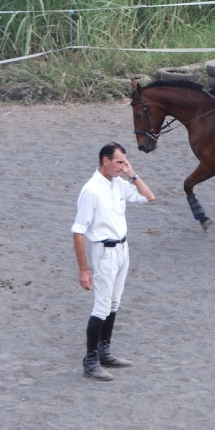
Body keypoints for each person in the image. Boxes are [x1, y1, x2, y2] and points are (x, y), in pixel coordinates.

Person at [72, 142, 155, 381]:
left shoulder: (118, 184)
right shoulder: (91, 190)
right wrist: (84, 269)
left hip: (123, 249)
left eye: (124, 162)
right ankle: (90, 361)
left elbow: (149, 197)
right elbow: (78, 231)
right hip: (104, 252)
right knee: (101, 306)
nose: (122, 166)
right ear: (105, 161)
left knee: (114, 303)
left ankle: (104, 351)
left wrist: (132, 174)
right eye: (119, 162)